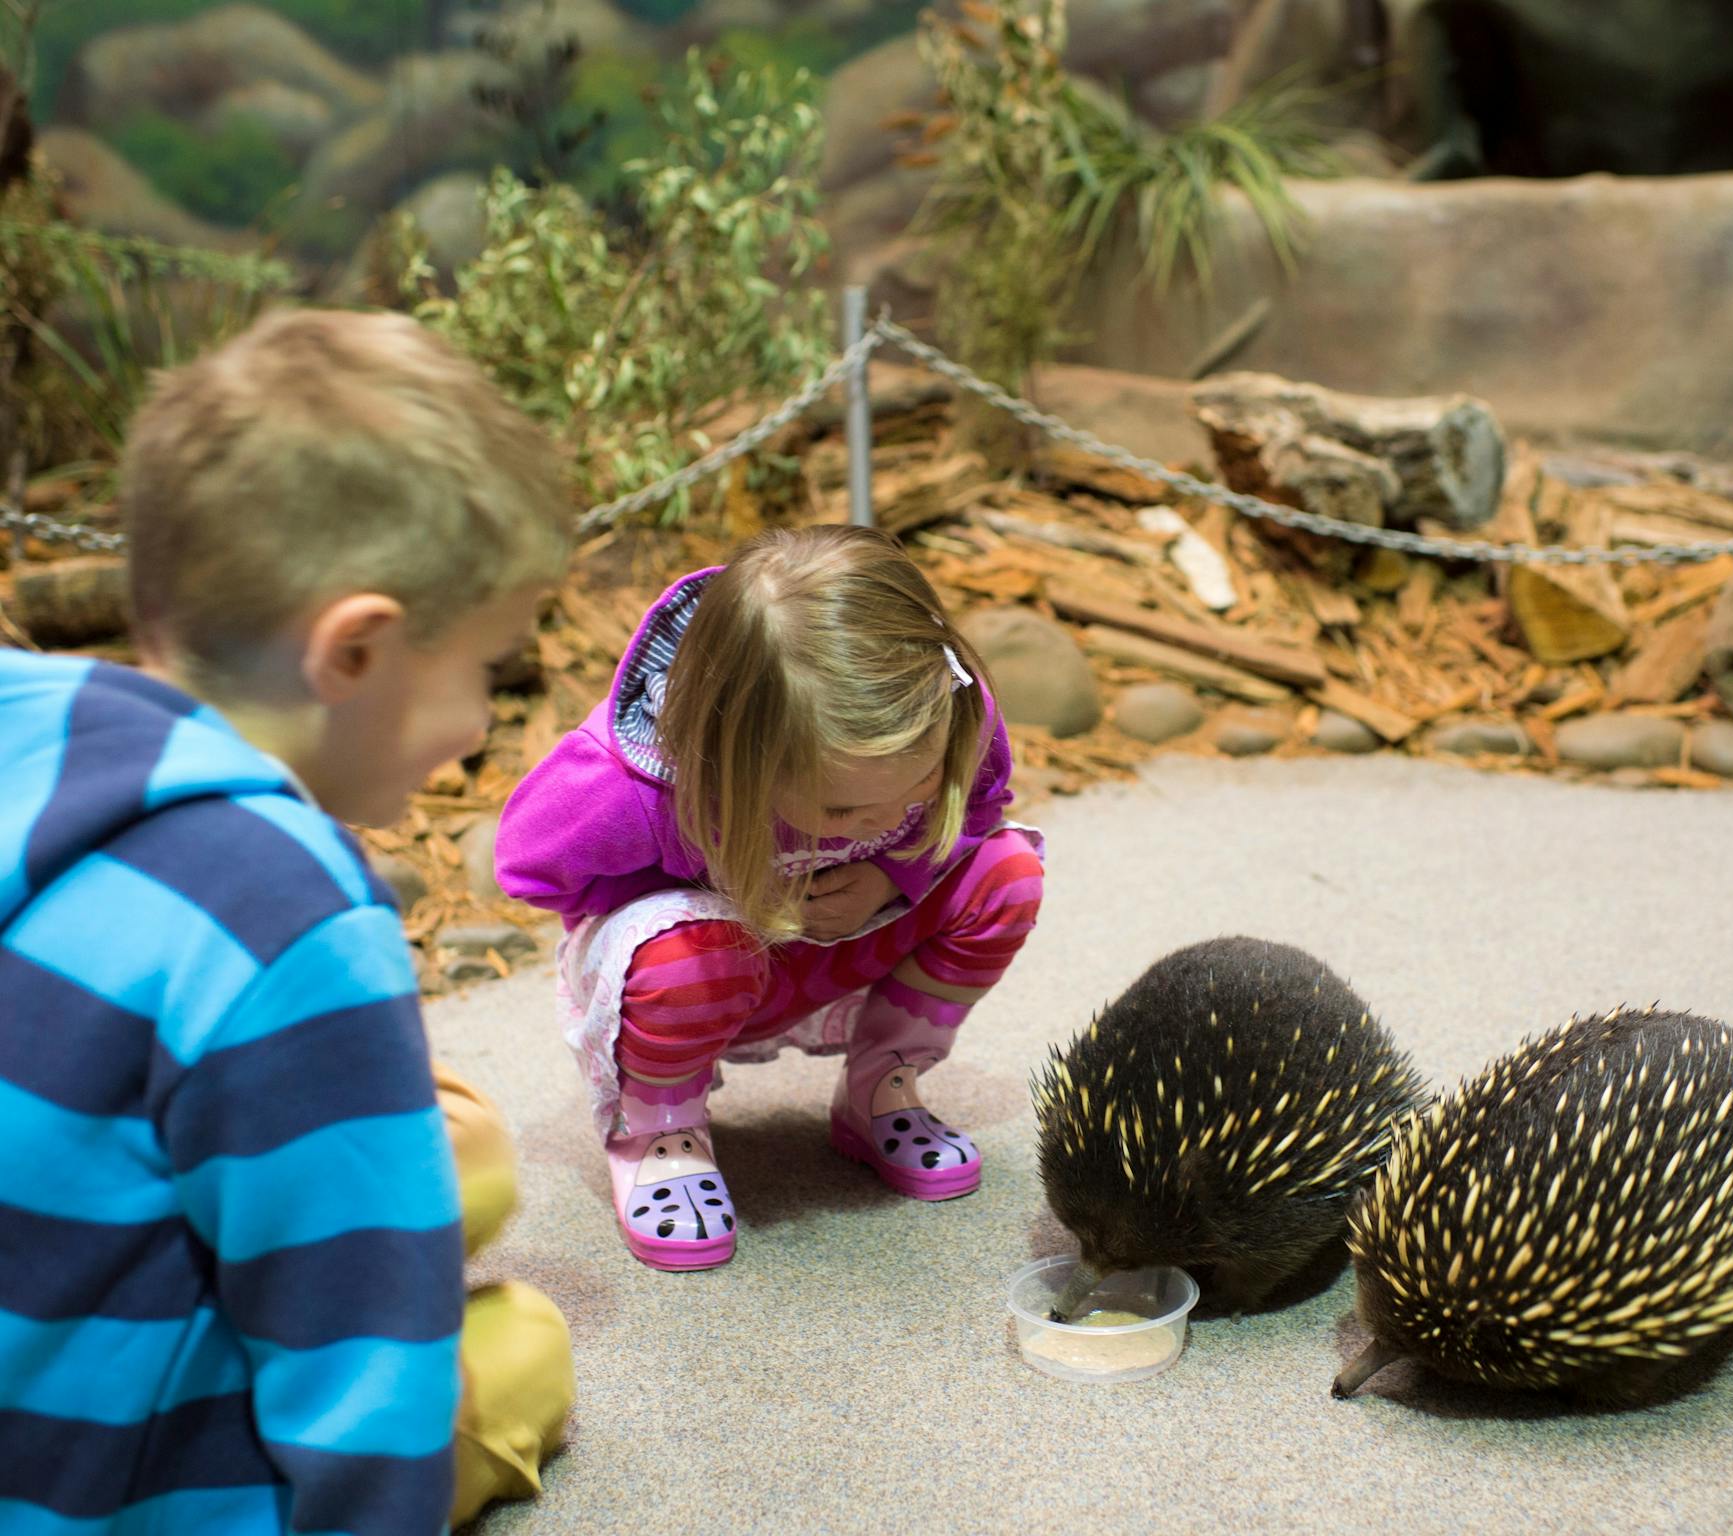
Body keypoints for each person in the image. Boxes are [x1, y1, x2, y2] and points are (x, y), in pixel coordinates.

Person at [0, 308, 574, 1533]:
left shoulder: (35, 733)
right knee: (519, 1345)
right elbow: (359, 1375)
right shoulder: (292, 921)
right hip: (92, 1489)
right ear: (356, 652)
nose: (483, 719)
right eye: (486, 666)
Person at [497, 525, 1045, 1271]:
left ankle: (881, 1082)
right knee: (689, 956)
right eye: (843, 812)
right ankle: (659, 1128)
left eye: (916, 790)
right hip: (697, 973)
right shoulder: (628, 788)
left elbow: (982, 808)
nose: (886, 824)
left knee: (1006, 874)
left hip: (853, 937)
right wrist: (722, 898)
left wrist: (895, 876)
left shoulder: (950, 707)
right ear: (734, 757)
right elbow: (529, 868)